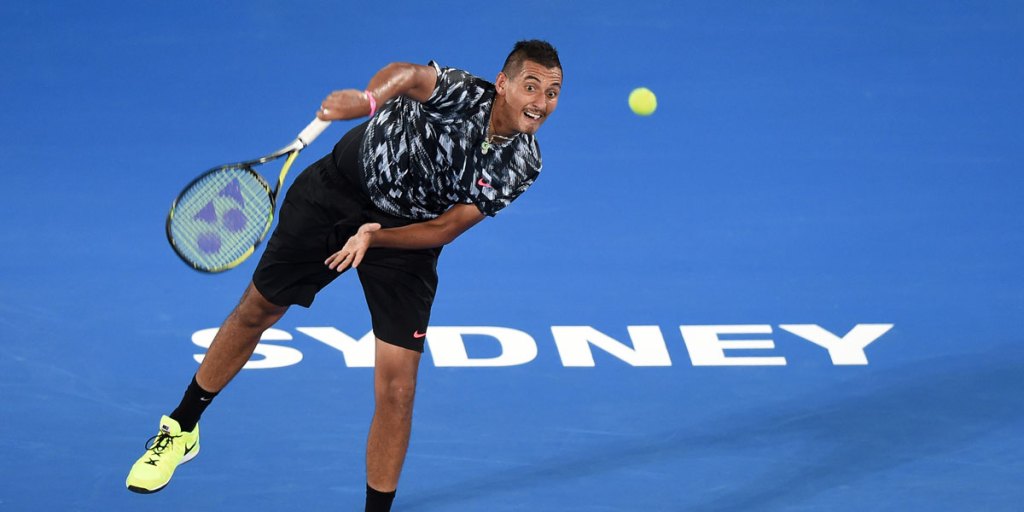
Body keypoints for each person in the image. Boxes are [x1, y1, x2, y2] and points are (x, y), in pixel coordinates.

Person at [125, 40, 562, 512]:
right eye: (531, 87)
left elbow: (446, 227)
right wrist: (368, 101)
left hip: (407, 236)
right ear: (503, 84)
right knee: (258, 309)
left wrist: (376, 238)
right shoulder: (461, 92)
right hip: (337, 194)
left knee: (399, 388)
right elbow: (409, 74)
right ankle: (181, 428)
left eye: (552, 93)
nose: (540, 102)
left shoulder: (523, 163)